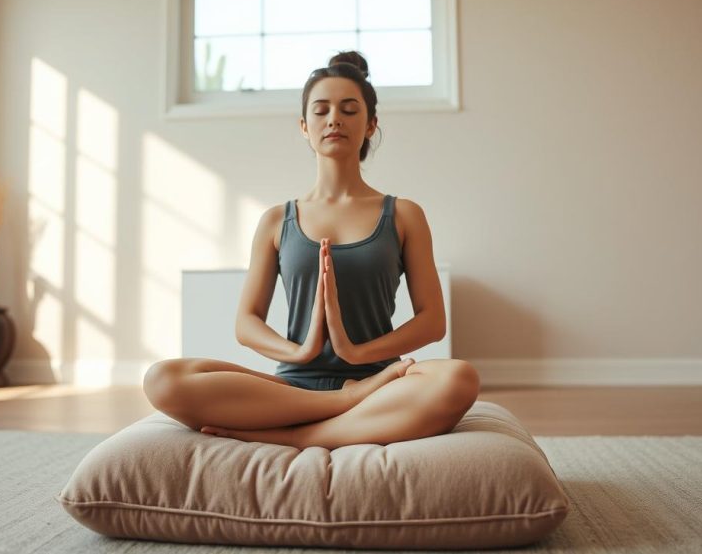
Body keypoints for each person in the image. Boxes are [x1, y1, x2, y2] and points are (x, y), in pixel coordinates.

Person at [143, 51, 480, 450]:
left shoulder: (404, 215)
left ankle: (302, 434)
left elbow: (432, 321)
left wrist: (358, 353)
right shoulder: (275, 221)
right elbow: (247, 323)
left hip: (381, 382)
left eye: (349, 109)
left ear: (371, 124)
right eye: (321, 110)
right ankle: (342, 406)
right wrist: (299, 350)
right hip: (292, 387)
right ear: (305, 126)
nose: (334, 118)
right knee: (162, 379)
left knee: (459, 378)